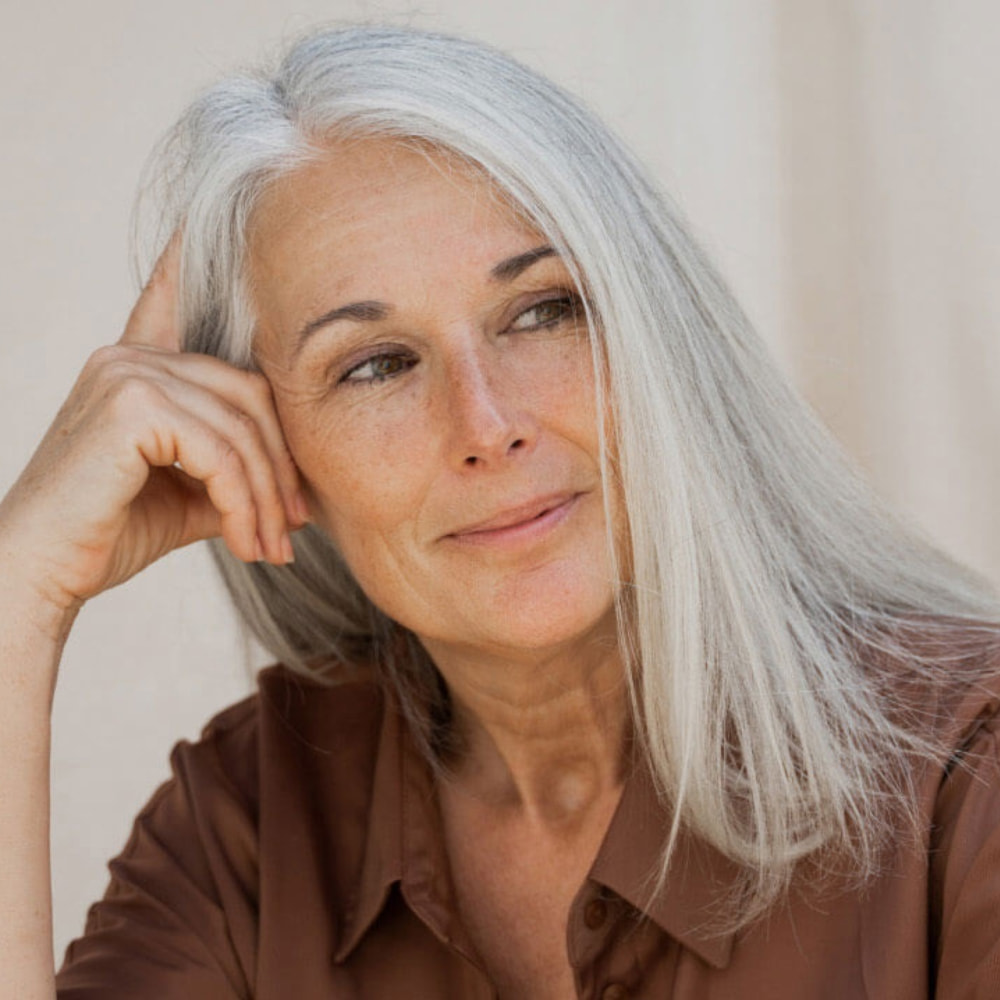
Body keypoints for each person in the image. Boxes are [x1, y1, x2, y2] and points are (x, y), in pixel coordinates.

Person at [2, 23, 998, 1000]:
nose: (487, 423)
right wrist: (22, 587)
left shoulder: (967, 779)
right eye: (376, 366)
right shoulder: (248, 830)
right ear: (263, 445)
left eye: (540, 310)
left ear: (660, 341)